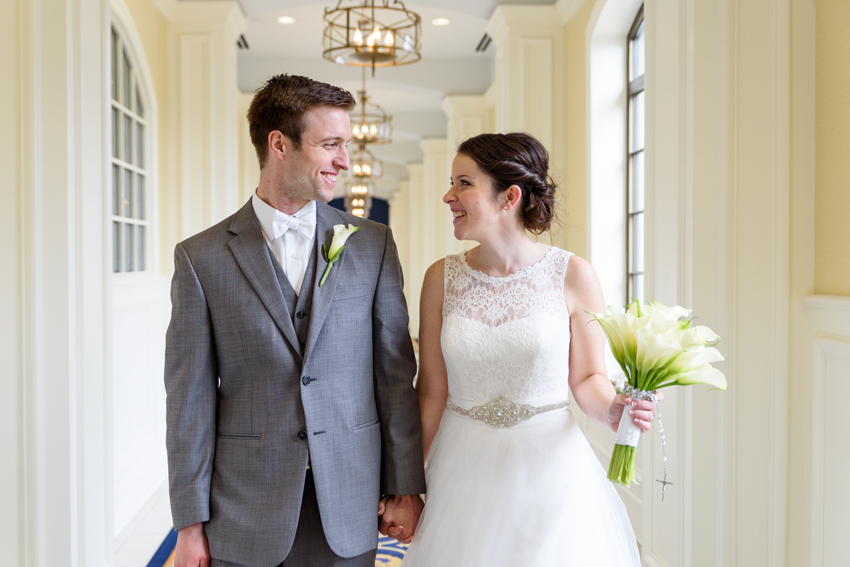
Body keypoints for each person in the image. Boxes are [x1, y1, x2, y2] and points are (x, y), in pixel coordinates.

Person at [164, 74, 425, 567]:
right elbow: (189, 402)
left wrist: (405, 485)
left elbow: (394, 377)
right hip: (242, 510)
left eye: (345, 145)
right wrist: (189, 525)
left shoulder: (372, 245)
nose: (344, 161)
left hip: (348, 500)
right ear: (279, 144)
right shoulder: (201, 259)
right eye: (330, 145)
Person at [402, 132, 656, 565]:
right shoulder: (440, 278)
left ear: (510, 196)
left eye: (464, 183)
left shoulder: (573, 274)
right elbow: (430, 393)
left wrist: (613, 411)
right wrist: (404, 486)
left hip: (551, 474)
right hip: (461, 473)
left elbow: (588, 378)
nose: (449, 195)